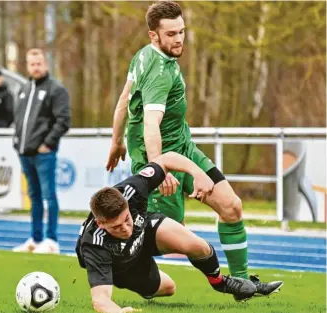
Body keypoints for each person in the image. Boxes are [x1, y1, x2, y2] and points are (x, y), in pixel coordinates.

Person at [106, 1, 283, 301]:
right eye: (171, 33)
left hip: (184, 148)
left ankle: (241, 285)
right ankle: (122, 263)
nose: (179, 39)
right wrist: (156, 170)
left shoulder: (143, 55)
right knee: (173, 236)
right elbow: (151, 126)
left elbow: (124, 98)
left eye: (182, 32)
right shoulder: (159, 73)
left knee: (232, 206)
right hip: (159, 157)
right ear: (154, 36)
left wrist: (116, 139)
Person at [77, 151, 258, 313]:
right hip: (123, 266)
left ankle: (220, 283)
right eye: (116, 227)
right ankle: (143, 282)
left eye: (126, 219)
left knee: (198, 246)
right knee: (169, 288)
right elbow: (100, 300)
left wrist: (198, 174)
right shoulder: (94, 245)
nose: (125, 228)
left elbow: (167, 158)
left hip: (144, 230)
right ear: (101, 224)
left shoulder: (133, 190)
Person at [12, 48, 71, 254]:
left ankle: (51, 239)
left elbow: (63, 121)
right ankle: (35, 239)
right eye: (31, 64)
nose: (35, 67)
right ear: (27, 65)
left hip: (44, 153)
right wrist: (17, 141)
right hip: (24, 153)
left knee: (49, 195)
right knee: (34, 196)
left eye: (39, 63)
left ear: (45, 64)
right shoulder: (24, 89)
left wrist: (47, 143)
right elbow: (18, 119)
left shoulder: (56, 89)